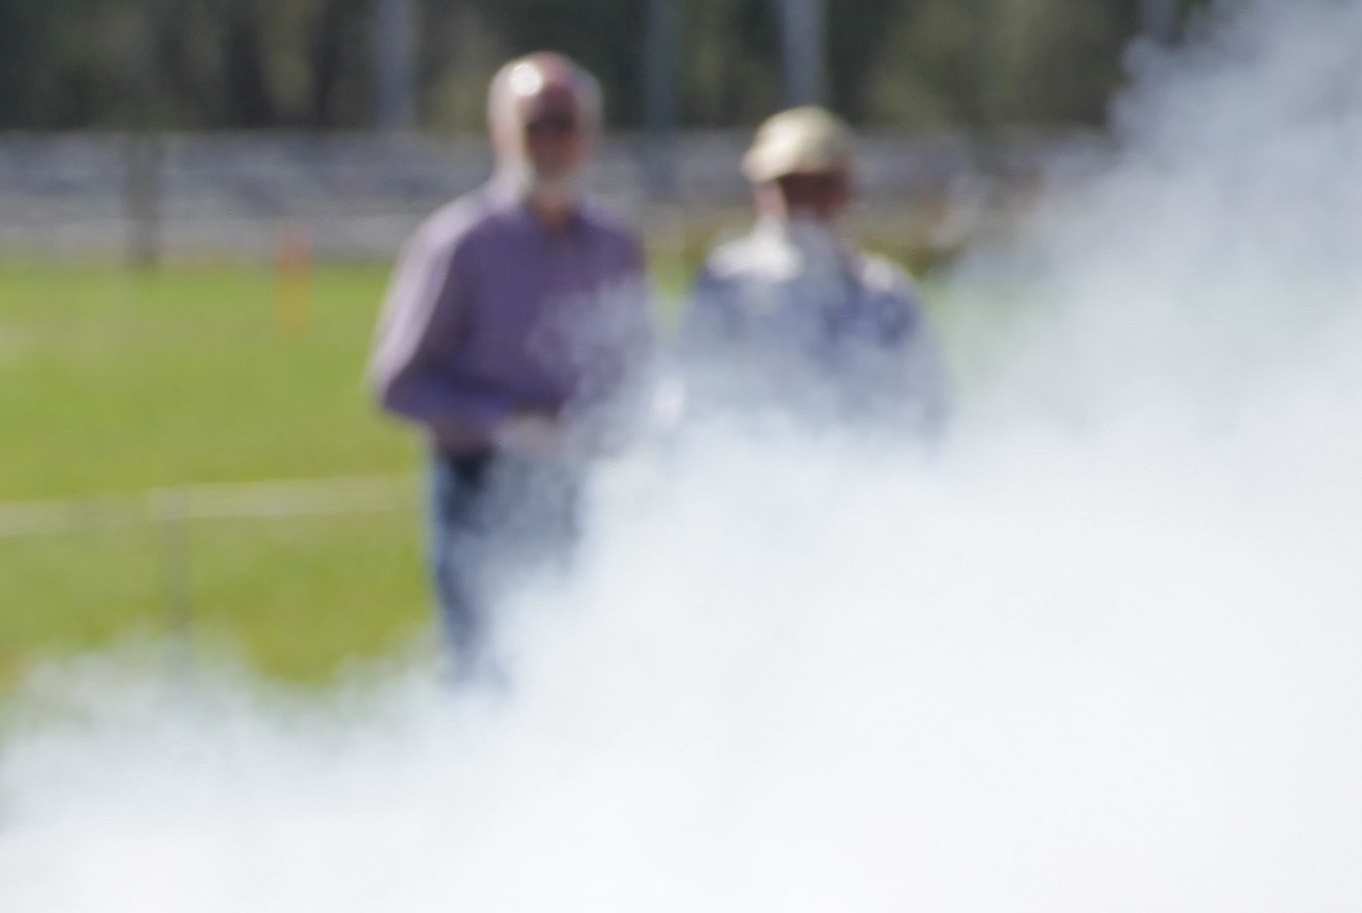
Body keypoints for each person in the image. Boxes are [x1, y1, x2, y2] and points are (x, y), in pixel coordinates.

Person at [370, 51, 651, 681]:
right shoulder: (459, 242)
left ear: (590, 136)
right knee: (485, 671)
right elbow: (396, 382)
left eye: (564, 125)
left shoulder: (614, 244)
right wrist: (502, 421)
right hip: (481, 483)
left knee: (580, 665)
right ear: (502, 133)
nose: (550, 142)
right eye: (535, 126)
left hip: (584, 484)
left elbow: (637, 364)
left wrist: (625, 419)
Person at [675, 107, 949, 440]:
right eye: (791, 186)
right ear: (765, 190)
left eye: (820, 186)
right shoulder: (730, 282)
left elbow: (926, 403)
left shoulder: (884, 292)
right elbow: (693, 394)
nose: (806, 201)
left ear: (846, 189)